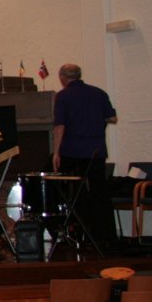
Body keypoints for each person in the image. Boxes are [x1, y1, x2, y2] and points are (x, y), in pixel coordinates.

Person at [52, 63, 119, 246]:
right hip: (96, 152)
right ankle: (106, 237)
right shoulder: (99, 93)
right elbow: (113, 118)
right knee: (99, 193)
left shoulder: (63, 96)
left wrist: (56, 153)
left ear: (63, 78)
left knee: (66, 189)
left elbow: (59, 127)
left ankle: (71, 231)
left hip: (72, 152)